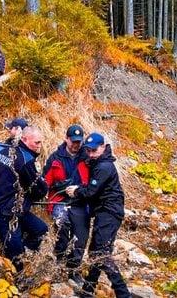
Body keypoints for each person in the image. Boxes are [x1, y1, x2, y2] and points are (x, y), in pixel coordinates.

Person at [66, 133, 131, 298]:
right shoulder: (98, 161)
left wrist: (76, 191)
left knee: (101, 253)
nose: (90, 154)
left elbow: (91, 192)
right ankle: (88, 290)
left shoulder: (104, 167)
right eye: (88, 151)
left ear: (103, 147)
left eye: (94, 150)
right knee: (96, 250)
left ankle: (123, 294)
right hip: (105, 211)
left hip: (110, 212)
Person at [0, 126, 48, 272]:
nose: (39, 146)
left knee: (41, 229)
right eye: (36, 142)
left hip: (12, 208)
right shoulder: (25, 160)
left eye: (40, 142)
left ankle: (23, 252)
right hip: (5, 215)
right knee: (17, 258)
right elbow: (40, 191)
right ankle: (16, 280)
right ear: (24, 139)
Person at [42, 124, 89, 288]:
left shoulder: (87, 157)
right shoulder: (55, 157)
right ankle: (59, 261)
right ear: (66, 139)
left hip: (80, 202)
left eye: (79, 142)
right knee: (62, 226)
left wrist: (79, 190)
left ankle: (73, 269)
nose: (76, 145)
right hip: (59, 200)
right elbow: (44, 182)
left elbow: (94, 182)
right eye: (73, 141)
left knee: (81, 236)